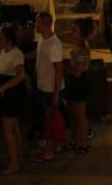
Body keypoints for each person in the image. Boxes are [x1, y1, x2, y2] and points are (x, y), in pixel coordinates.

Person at [0, 26, 27, 174]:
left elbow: (21, 75)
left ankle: (14, 163)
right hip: (8, 92)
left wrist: (4, 87)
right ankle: (19, 157)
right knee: (13, 128)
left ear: (9, 41)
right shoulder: (5, 50)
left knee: (8, 131)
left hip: (12, 94)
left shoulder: (16, 54)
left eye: (1, 39)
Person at [32, 11, 66, 162]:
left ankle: (48, 151)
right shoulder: (43, 39)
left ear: (44, 24)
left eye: (37, 22)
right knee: (51, 118)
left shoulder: (53, 45)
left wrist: (56, 94)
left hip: (51, 89)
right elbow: (39, 54)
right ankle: (56, 145)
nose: (35, 25)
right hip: (44, 87)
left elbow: (59, 71)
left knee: (51, 120)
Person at [66, 18, 94, 155]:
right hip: (75, 83)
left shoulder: (83, 49)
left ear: (81, 33)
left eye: (74, 30)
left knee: (81, 116)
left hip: (80, 83)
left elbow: (78, 72)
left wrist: (65, 70)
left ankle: (84, 143)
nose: (71, 33)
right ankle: (75, 140)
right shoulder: (77, 46)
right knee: (74, 115)